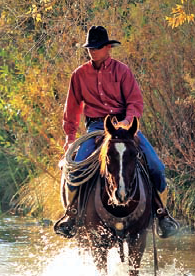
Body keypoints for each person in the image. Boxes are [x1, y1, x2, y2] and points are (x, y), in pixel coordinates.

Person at [54, 25, 180, 238]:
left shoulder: (122, 71)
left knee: (156, 167)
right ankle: (72, 215)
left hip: (124, 127)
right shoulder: (79, 75)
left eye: (97, 47)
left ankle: (161, 213)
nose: (92, 51)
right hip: (95, 128)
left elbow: (135, 101)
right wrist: (70, 137)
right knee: (74, 170)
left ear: (108, 48)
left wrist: (127, 122)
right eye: (90, 48)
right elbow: (72, 108)